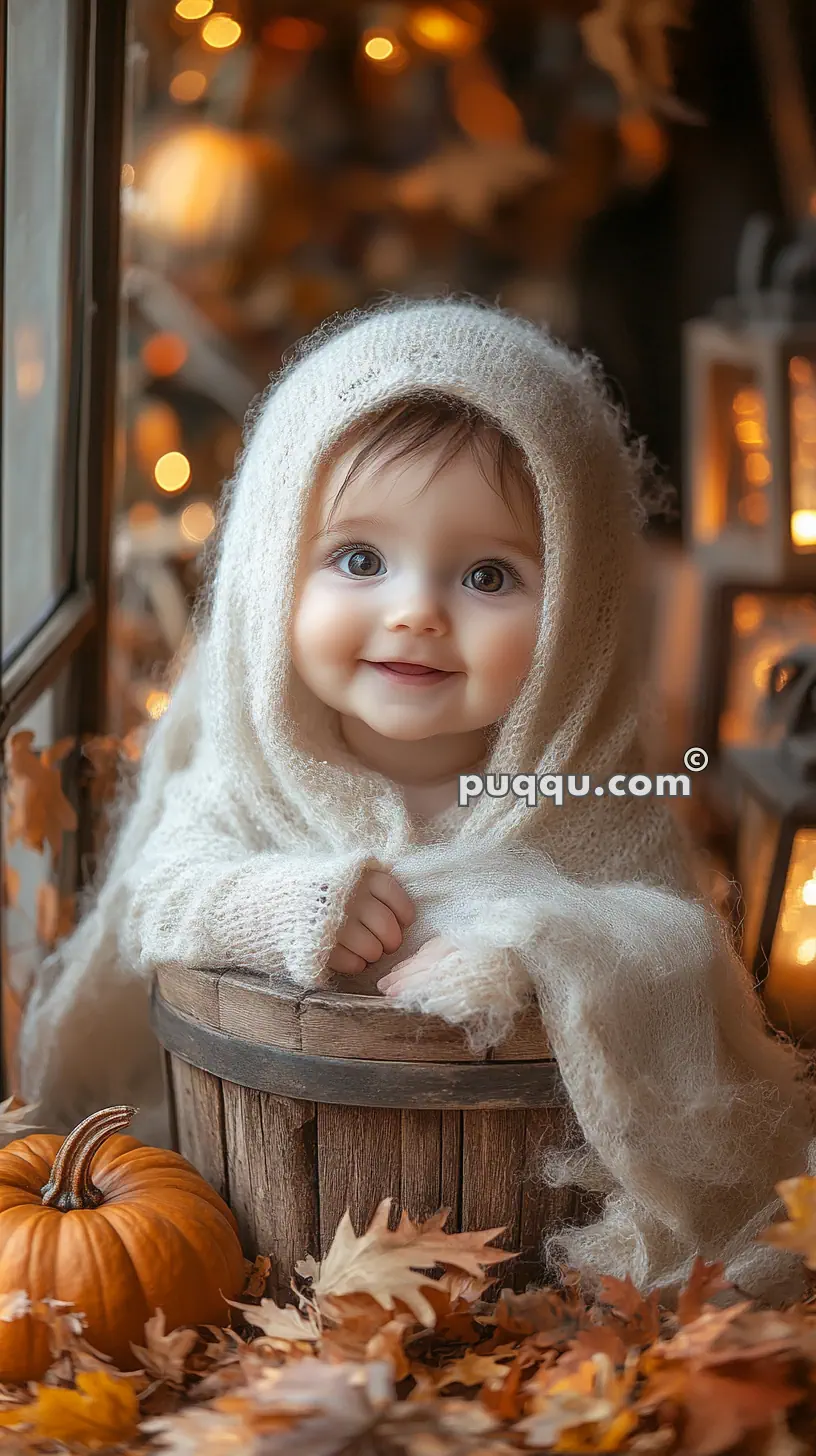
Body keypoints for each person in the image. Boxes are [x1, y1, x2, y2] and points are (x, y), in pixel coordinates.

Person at [19, 293, 816, 1305]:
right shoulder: (254, 768)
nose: (416, 612)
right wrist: (281, 903)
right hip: (261, 1233)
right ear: (274, 573)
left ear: (579, 610)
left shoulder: (582, 789)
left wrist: (533, 939)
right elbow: (162, 894)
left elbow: (671, 944)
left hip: (522, 1251)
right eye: (359, 559)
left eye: (488, 574)